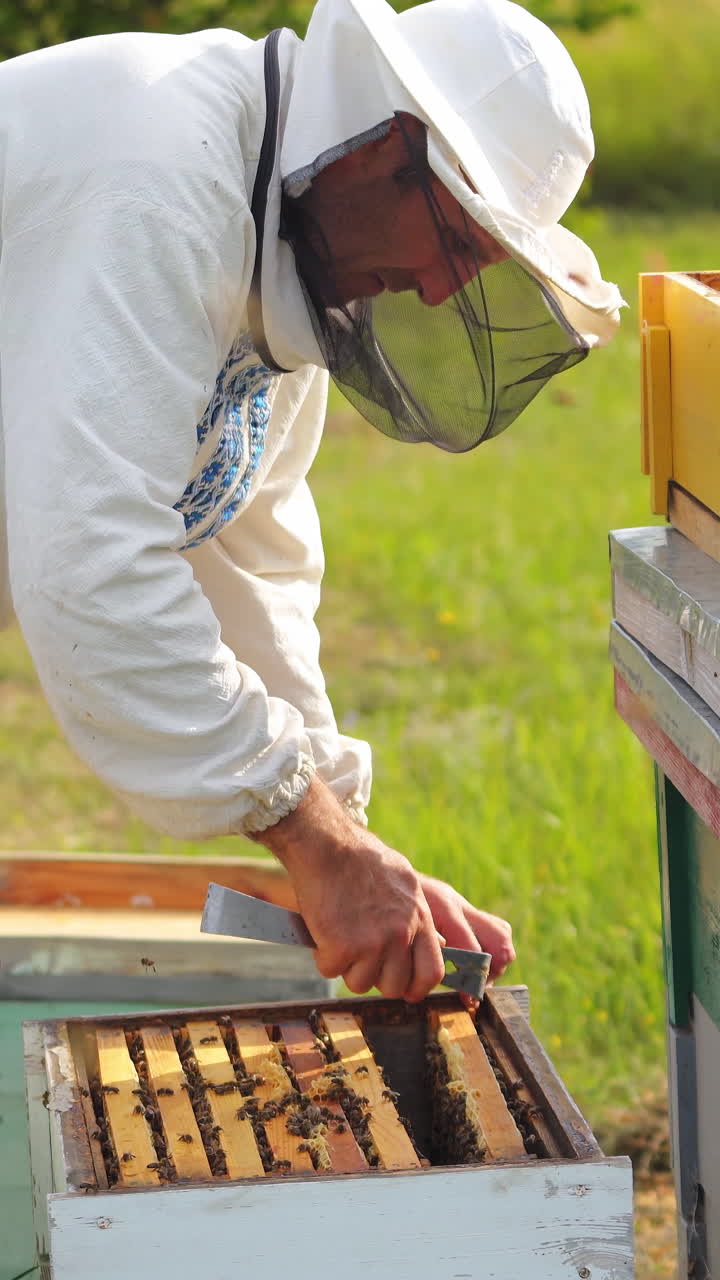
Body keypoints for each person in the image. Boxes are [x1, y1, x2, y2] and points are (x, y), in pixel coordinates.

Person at [0, 0, 622, 1003]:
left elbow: (245, 559)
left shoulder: (264, 240)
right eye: (455, 243)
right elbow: (91, 565)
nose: (432, 292)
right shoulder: (161, 176)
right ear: (386, 146)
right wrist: (309, 834)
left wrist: (346, 830)